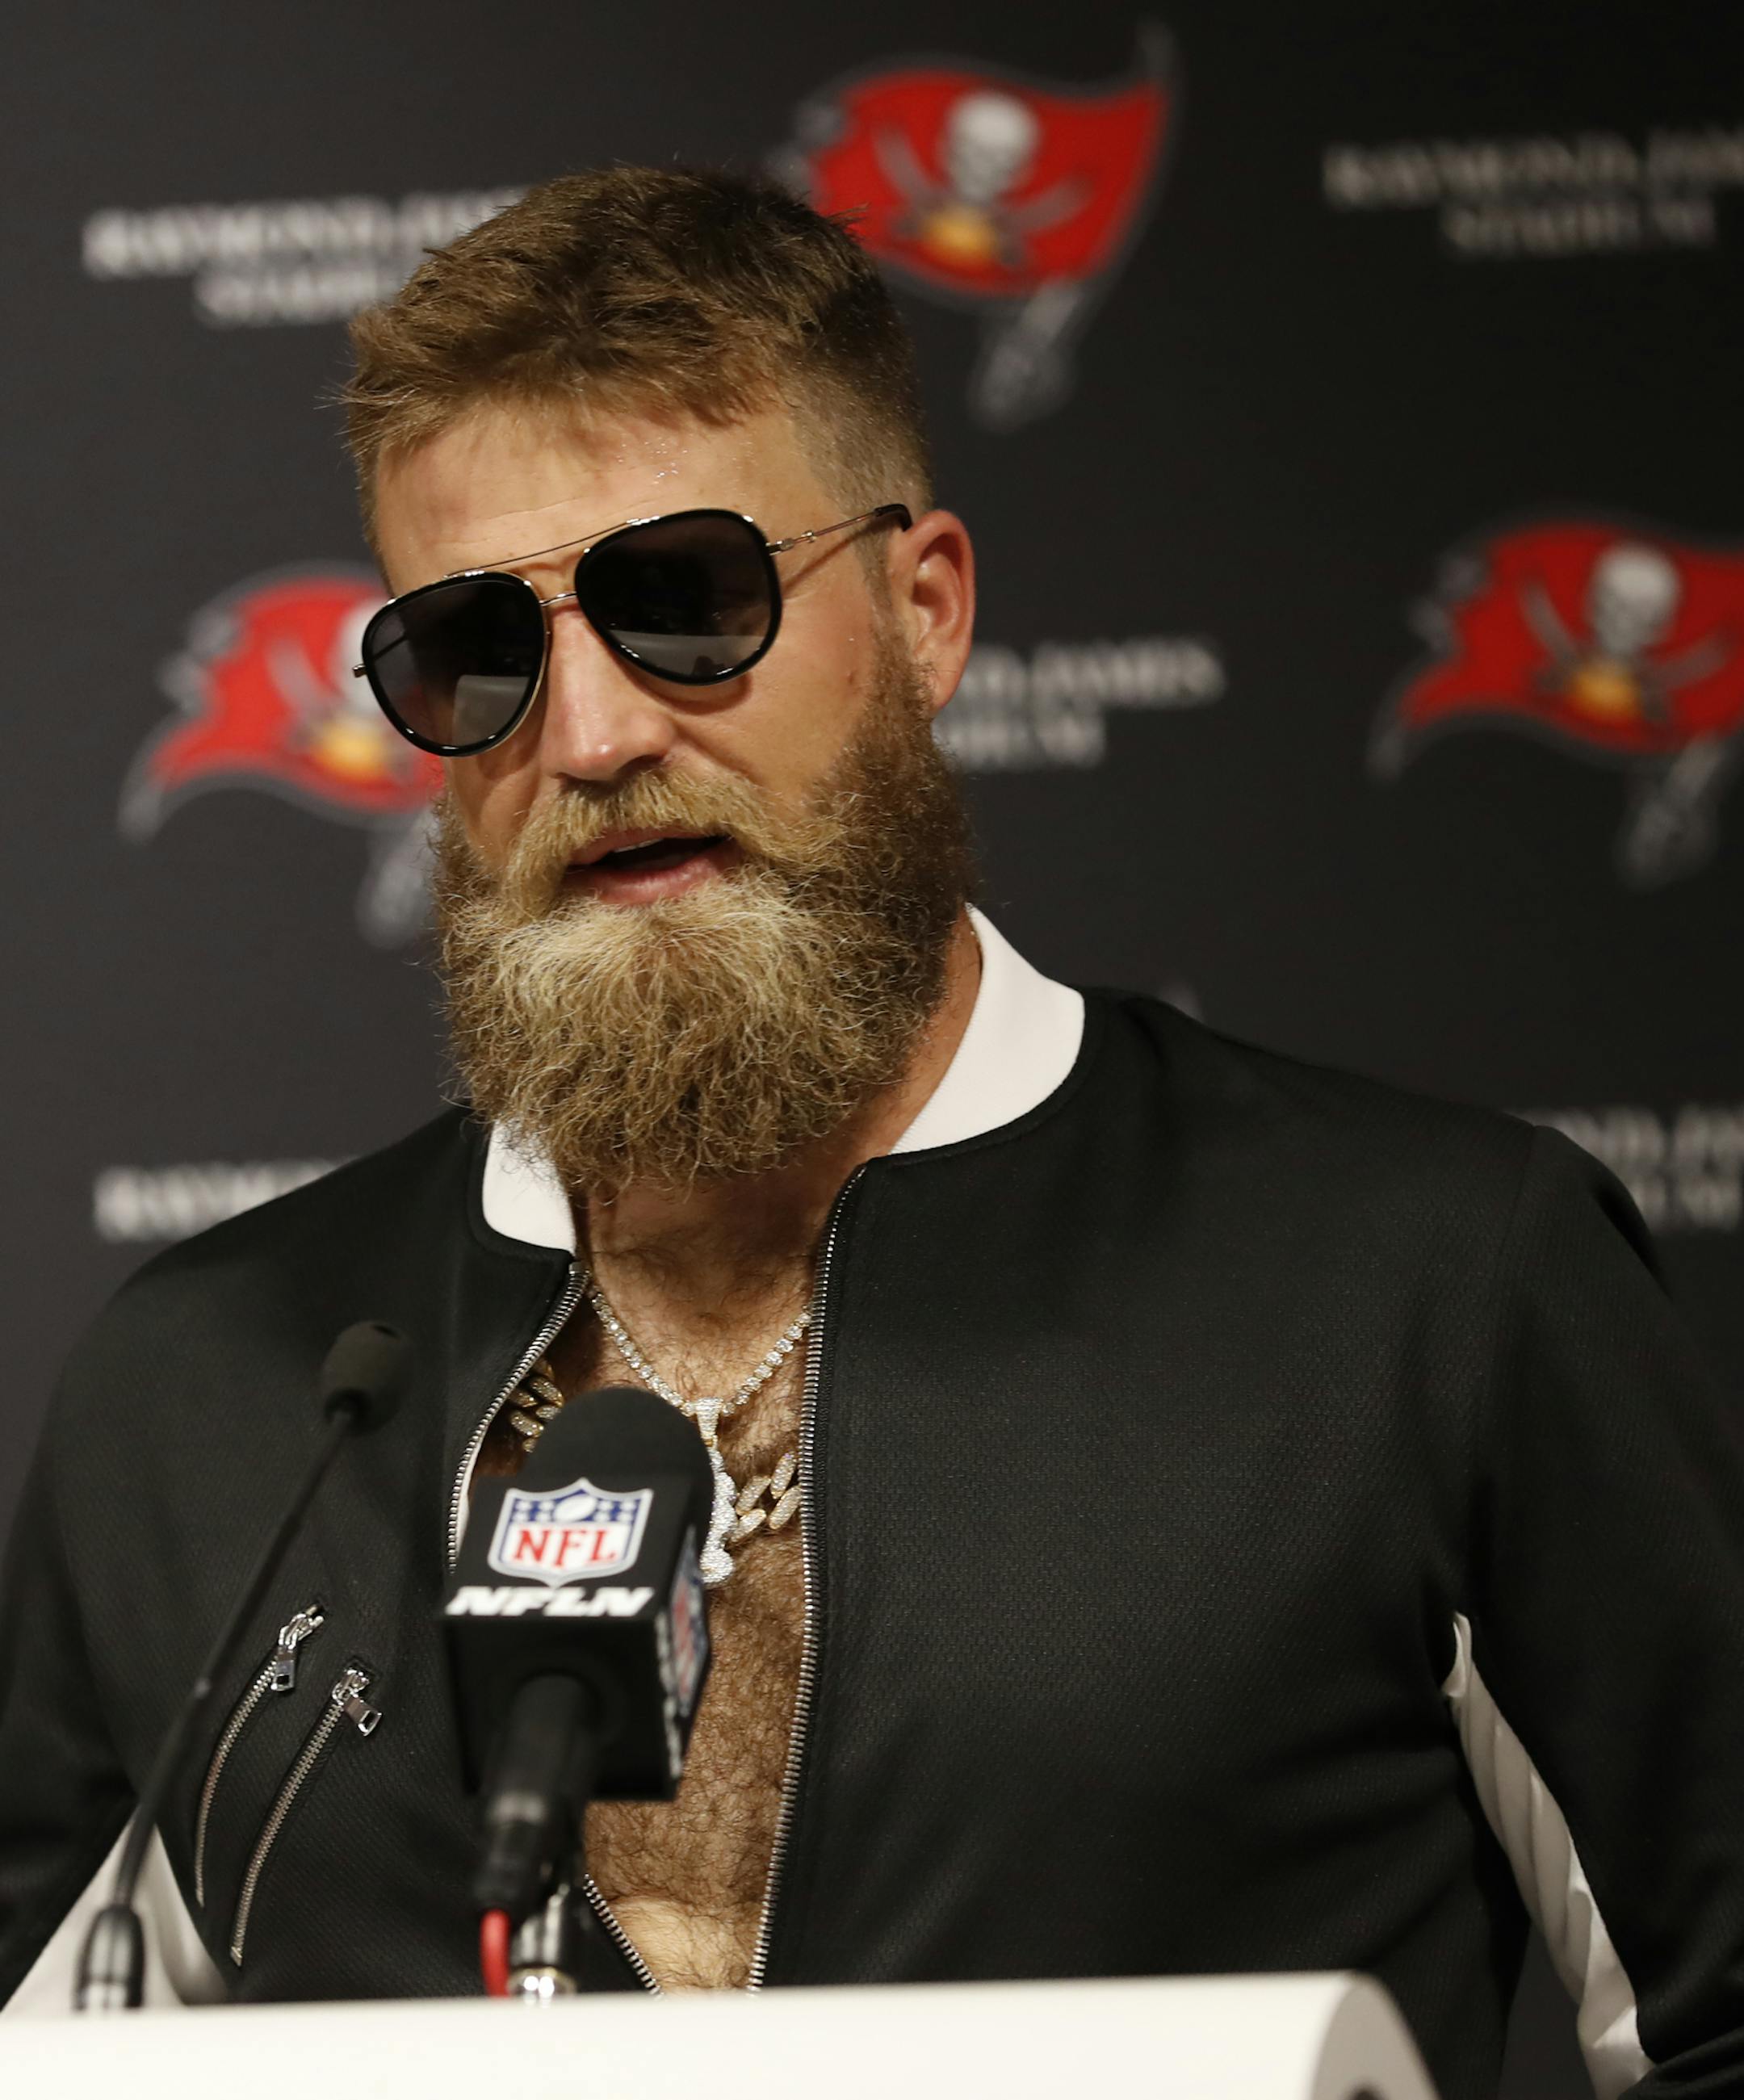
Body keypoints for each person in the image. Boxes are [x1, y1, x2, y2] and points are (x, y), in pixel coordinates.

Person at [2, 166, 1742, 2100]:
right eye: (472, 647)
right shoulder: (206, 1392)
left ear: (923, 613)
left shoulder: (1430, 1285)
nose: (585, 735)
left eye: (687, 602)